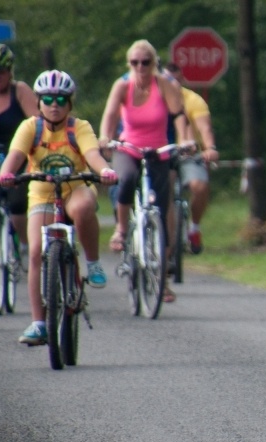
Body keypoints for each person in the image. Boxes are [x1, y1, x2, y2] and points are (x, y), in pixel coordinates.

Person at [0, 70, 117, 345]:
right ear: (38, 102)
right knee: (36, 252)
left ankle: (93, 262)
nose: (54, 104)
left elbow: (92, 155)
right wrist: (6, 174)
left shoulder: (79, 127)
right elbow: (14, 156)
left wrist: (105, 170)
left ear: (70, 103)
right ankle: (39, 323)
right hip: (41, 195)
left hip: (75, 189)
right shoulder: (30, 128)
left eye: (61, 99)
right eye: (48, 98)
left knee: (85, 206)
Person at [98, 39, 190, 303]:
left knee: (163, 205)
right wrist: (105, 137)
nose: (140, 67)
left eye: (146, 62)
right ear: (129, 64)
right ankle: (122, 228)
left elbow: (179, 116)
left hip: (158, 149)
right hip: (128, 147)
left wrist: (184, 141)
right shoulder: (122, 85)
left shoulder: (165, 85)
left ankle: (163, 277)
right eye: (135, 62)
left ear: (154, 63)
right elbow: (110, 115)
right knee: (125, 179)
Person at [0, 43, 40, 270]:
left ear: (10, 71)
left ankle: (23, 244)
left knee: (18, 203)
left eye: (0, 70)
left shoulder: (19, 91)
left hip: (18, 157)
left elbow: (38, 123)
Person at [163, 62, 219, 254]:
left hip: (188, 153)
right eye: (167, 81)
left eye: (176, 80)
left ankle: (194, 227)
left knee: (200, 186)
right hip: (162, 153)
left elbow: (204, 128)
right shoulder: (153, 100)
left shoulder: (193, 100)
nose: (172, 85)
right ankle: (163, 239)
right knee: (163, 191)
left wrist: (210, 147)